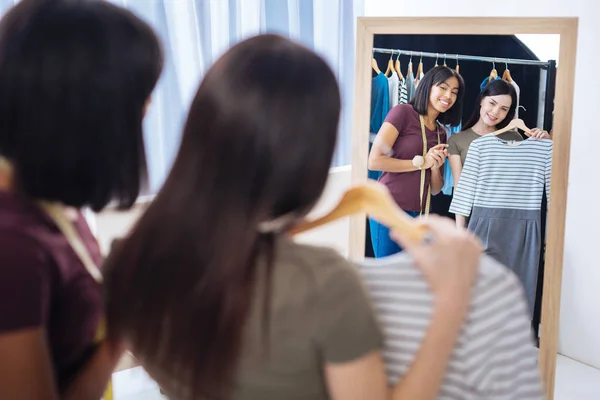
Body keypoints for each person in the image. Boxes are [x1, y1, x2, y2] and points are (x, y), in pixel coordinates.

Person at [102, 34, 483, 400]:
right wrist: (451, 303)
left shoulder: (129, 257)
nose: (448, 97)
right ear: (309, 157)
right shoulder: (326, 283)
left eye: (454, 93)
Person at [0, 0, 163, 399]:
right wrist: (118, 337)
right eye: (137, 96)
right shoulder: (13, 246)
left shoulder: (42, 195)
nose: (147, 109)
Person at [367, 66, 465, 257]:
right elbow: (374, 161)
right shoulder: (403, 113)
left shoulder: (441, 133)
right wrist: (420, 162)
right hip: (389, 209)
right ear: (428, 86)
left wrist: (435, 168)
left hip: (418, 215)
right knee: (388, 278)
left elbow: (435, 189)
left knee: (407, 281)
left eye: (454, 92)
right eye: (443, 88)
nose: (448, 96)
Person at [448, 79, 551, 228]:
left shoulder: (514, 138)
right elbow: (459, 186)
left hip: (510, 218)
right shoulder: (457, 140)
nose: (495, 112)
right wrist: (460, 229)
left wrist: (546, 141)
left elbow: (522, 182)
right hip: (473, 217)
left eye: (504, 108)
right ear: (482, 100)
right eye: (492, 103)